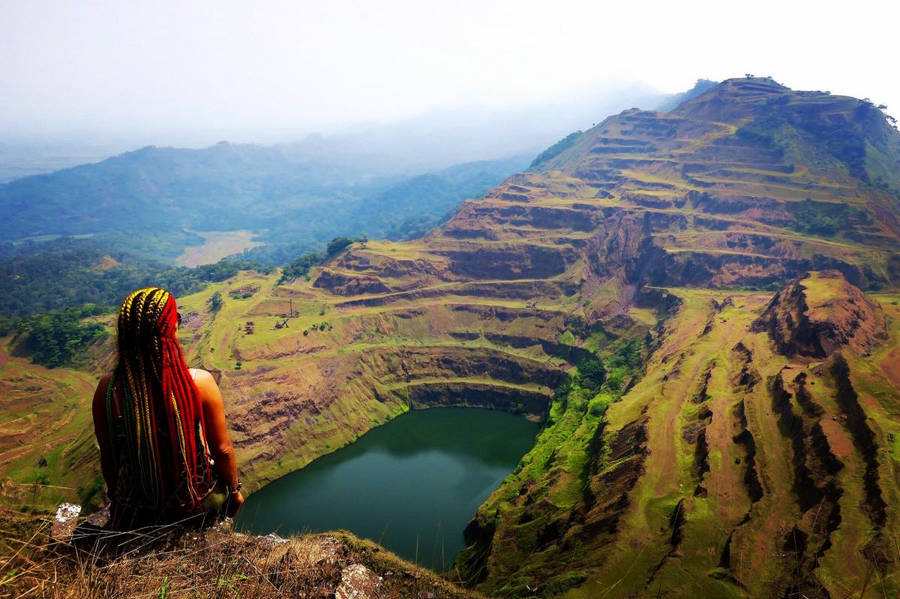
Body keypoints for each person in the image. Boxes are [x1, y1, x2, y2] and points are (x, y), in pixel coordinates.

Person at [91, 287, 243, 529]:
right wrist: (235, 491)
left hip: (135, 512)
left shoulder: (108, 390)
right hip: (195, 506)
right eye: (177, 319)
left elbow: (109, 458)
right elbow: (222, 450)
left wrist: (118, 501)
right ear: (170, 328)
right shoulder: (198, 382)